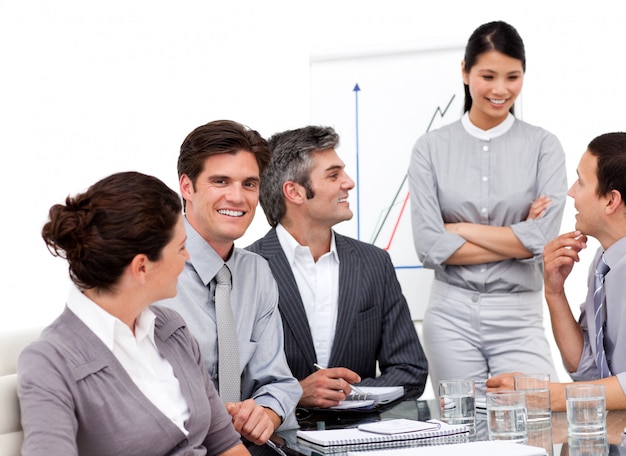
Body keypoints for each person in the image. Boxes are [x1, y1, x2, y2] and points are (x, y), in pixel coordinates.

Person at [18, 172, 248, 456]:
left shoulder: (171, 328)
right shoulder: (51, 362)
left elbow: (225, 443)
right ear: (142, 267)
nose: (187, 257)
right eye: (180, 248)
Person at [407, 20, 568, 390]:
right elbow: (430, 247)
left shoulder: (544, 146)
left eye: (512, 77)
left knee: (536, 423)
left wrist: (459, 230)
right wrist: (517, 240)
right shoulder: (430, 148)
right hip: (450, 314)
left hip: (518, 314)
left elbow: (541, 240)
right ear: (465, 72)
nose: (500, 89)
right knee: (463, 433)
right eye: (488, 75)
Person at [247, 125, 428, 409]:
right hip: (275, 446)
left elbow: (410, 372)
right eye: (333, 175)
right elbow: (229, 386)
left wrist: (346, 396)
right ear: (294, 191)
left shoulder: (374, 264)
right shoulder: (246, 269)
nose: (348, 182)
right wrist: (296, 394)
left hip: (361, 441)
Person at [157, 120, 301, 443]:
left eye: (249, 184)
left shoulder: (257, 273)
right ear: (187, 186)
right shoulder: (148, 269)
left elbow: (278, 382)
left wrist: (266, 413)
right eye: (220, 181)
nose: (237, 197)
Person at [489, 132, 626, 411]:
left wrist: (544, 394)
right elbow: (589, 369)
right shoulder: (604, 261)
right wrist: (554, 292)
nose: (571, 191)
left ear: (611, 201)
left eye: (581, 181)